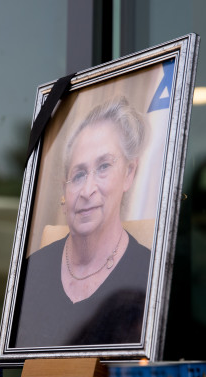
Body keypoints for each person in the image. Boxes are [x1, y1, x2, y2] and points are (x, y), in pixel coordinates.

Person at [12, 97, 151, 348]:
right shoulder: (31, 273)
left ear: (129, 173)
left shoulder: (149, 274)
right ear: (64, 189)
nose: (87, 190)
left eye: (104, 166)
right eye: (78, 175)